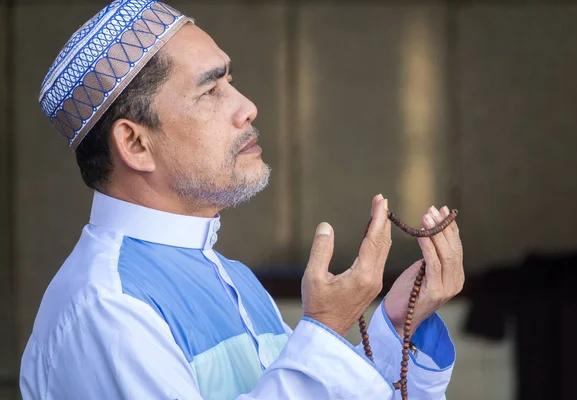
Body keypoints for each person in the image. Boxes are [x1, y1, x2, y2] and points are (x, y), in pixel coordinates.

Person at [20, 1, 464, 399]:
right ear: (135, 144)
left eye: (230, 81)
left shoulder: (235, 280)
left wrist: (397, 323)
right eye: (210, 91)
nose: (247, 107)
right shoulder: (107, 308)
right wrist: (326, 326)